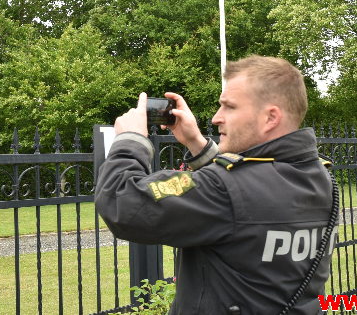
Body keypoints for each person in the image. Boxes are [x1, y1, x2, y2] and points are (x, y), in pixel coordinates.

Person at [95, 55, 337, 314]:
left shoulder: (224, 190)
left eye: (229, 107)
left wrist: (130, 140)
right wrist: (197, 144)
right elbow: (246, 196)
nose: (215, 118)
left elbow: (123, 203)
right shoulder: (319, 177)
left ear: (270, 118)